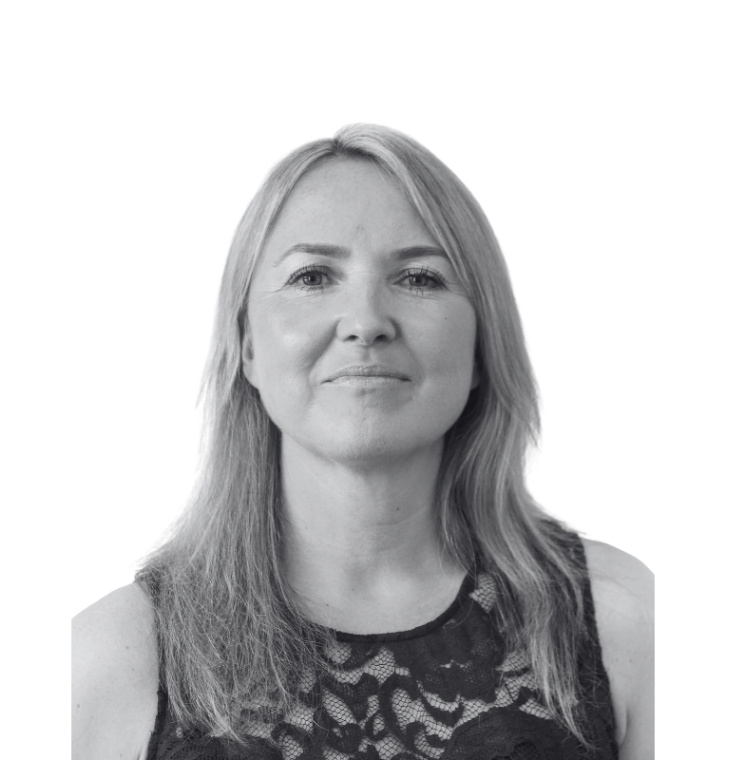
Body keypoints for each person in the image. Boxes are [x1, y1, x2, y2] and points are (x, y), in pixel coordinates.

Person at [71, 123, 655, 760]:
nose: (367, 322)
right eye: (313, 276)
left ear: (482, 345)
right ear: (247, 346)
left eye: (420, 277)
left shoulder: (627, 623)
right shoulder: (112, 656)